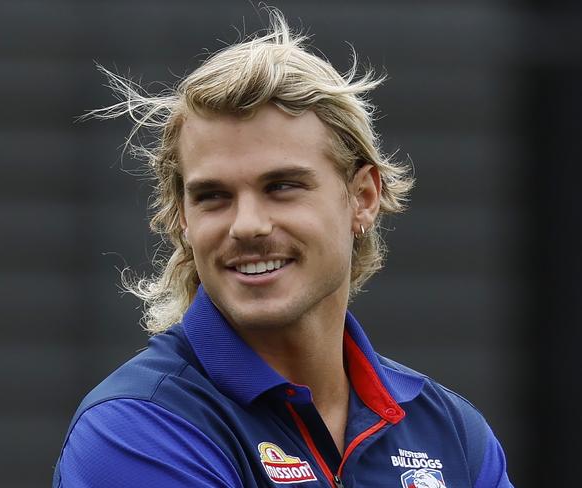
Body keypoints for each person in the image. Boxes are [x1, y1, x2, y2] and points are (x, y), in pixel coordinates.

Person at [52, 9, 513, 488]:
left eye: (282, 186)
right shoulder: (137, 428)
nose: (247, 225)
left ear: (364, 197)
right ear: (182, 219)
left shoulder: (453, 434)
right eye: (213, 196)